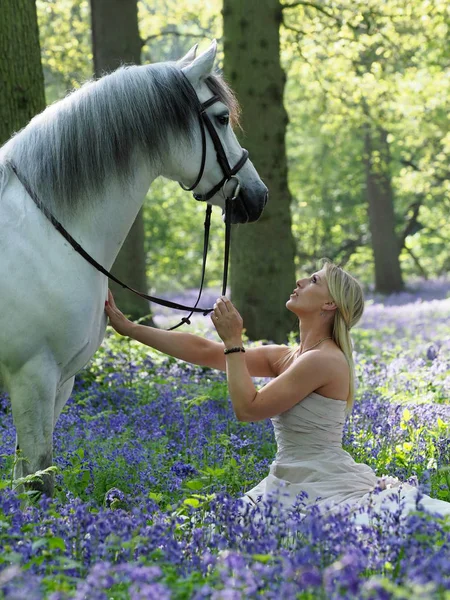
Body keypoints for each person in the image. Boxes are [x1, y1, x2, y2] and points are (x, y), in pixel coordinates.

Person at [105, 260, 450, 520]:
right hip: (288, 477)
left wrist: (234, 341)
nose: (300, 280)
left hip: (321, 482)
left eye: (314, 280)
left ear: (330, 304)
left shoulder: (325, 361)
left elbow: (248, 408)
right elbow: (205, 352)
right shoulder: (291, 356)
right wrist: (130, 328)